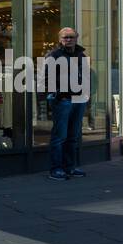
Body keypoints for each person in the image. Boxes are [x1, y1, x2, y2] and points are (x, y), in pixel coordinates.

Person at [45, 28, 89, 180]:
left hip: (79, 99)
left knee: (73, 136)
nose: (68, 39)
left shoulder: (81, 55)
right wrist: (57, 94)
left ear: (76, 38)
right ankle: (56, 169)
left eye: (71, 37)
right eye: (65, 37)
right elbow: (45, 77)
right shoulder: (54, 55)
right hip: (62, 100)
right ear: (60, 39)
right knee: (59, 136)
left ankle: (69, 167)